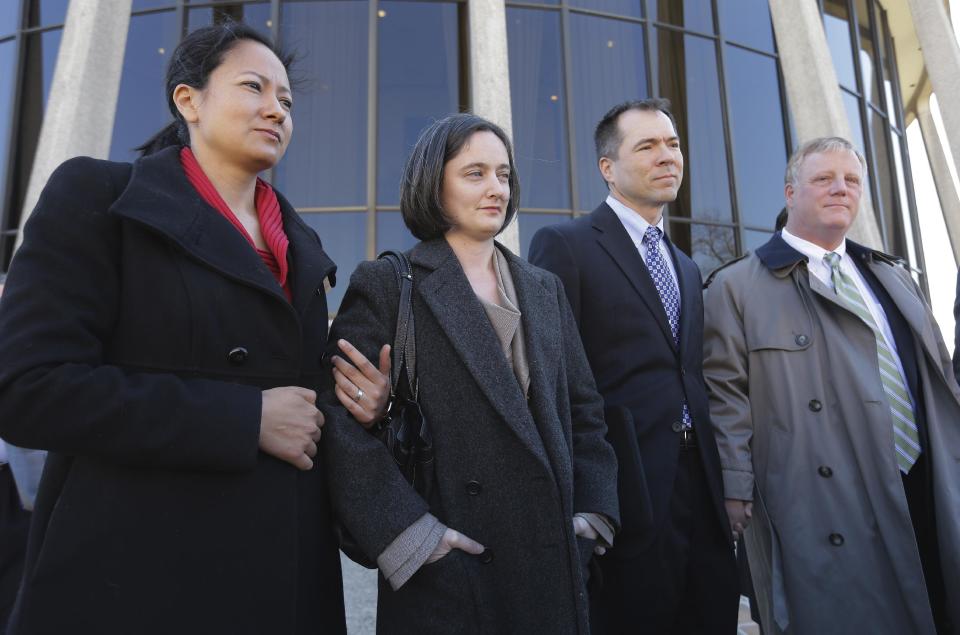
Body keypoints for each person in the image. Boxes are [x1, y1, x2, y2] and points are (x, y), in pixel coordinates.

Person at [0, 22, 388, 634]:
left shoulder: (304, 248)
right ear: (189, 101)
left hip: (282, 585)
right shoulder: (99, 199)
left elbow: (306, 411)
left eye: (287, 101)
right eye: (254, 87)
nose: (276, 110)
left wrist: (364, 406)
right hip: (132, 580)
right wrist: (242, 419)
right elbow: (27, 389)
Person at [322, 113, 619, 634]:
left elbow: (585, 411)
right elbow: (341, 426)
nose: (496, 189)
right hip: (450, 574)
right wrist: (413, 537)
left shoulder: (543, 288)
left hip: (551, 561)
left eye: (504, 174)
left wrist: (592, 515)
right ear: (433, 185)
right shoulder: (389, 284)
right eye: (475, 173)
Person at [703, 136, 960, 634]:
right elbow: (725, 398)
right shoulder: (735, 287)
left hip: (925, 483)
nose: (840, 189)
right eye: (824, 179)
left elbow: (934, 377)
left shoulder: (893, 277)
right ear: (789, 193)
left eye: (852, 180)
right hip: (829, 504)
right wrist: (734, 491)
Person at [528, 98, 738, 634]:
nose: (667, 156)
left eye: (672, 144)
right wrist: (579, 499)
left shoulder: (688, 267)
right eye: (647, 146)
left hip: (701, 497)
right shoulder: (566, 245)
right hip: (624, 496)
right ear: (608, 167)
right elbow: (548, 378)